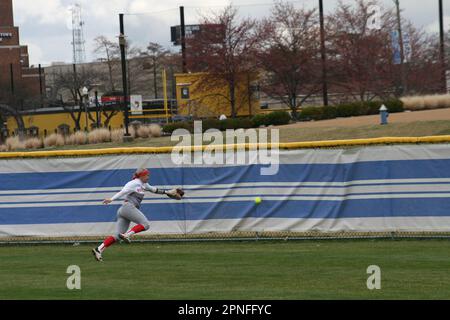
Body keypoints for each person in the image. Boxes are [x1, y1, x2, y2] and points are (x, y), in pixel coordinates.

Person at [92, 167, 184, 262]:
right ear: (142, 175)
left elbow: (154, 190)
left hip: (124, 210)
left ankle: (98, 249)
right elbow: (123, 191)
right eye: (147, 175)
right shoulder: (134, 183)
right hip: (127, 207)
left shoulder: (144, 184)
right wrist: (111, 199)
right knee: (146, 224)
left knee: (117, 236)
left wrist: (167, 192)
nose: (148, 177)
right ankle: (127, 235)